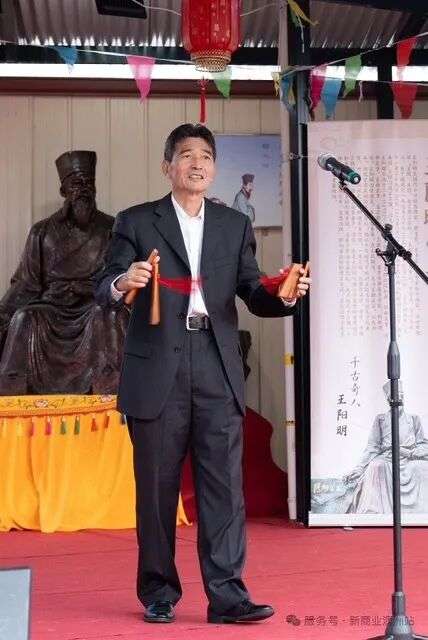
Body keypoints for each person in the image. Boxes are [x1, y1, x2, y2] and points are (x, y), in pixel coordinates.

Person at [96, 123, 311, 624]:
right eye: (187, 155)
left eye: (206, 157)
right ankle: (158, 592)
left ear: (214, 169)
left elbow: (252, 293)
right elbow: (103, 285)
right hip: (158, 369)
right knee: (156, 490)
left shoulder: (233, 225)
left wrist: (284, 296)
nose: (198, 163)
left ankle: (228, 596)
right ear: (167, 166)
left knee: (224, 489)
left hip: (216, 364)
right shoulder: (136, 221)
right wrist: (123, 281)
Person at [0, 150, 129, 395]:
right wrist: (3, 312)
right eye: (76, 184)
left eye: (88, 183)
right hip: (52, 307)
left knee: (106, 315)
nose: (84, 190)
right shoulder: (42, 231)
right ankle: (15, 391)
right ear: (63, 190)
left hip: (94, 303)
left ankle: (107, 386)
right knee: (24, 317)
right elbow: (26, 283)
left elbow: (119, 278)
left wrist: (90, 288)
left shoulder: (112, 228)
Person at [343, 382, 428, 514]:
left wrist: (410, 453)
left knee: (422, 467)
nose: (399, 399)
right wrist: (359, 468)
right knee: (376, 466)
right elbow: (372, 447)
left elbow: (423, 443)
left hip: (408, 458)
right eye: (395, 396)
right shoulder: (381, 419)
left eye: (401, 395)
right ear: (389, 399)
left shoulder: (413, 419)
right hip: (387, 458)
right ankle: (375, 510)